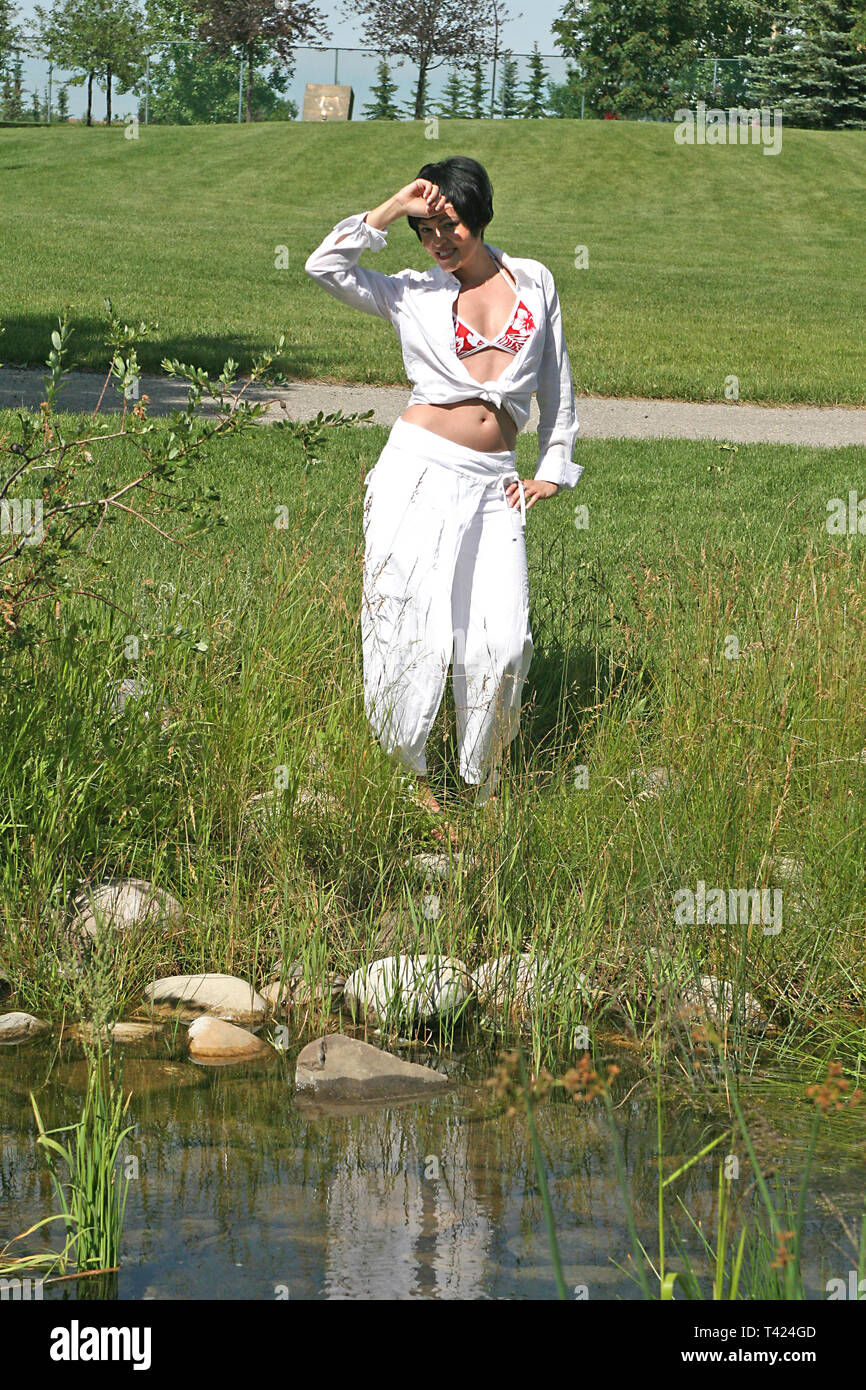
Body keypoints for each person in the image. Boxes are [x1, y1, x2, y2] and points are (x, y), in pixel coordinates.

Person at [304, 156, 582, 838]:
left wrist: (554, 462)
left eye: (448, 224)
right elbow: (325, 267)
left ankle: (482, 781)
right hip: (416, 473)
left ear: (478, 213)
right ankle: (414, 782)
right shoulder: (410, 292)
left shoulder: (535, 280)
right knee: (410, 625)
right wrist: (391, 206)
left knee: (505, 637)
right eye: (425, 229)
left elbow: (557, 382)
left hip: (495, 486)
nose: (437, 241)